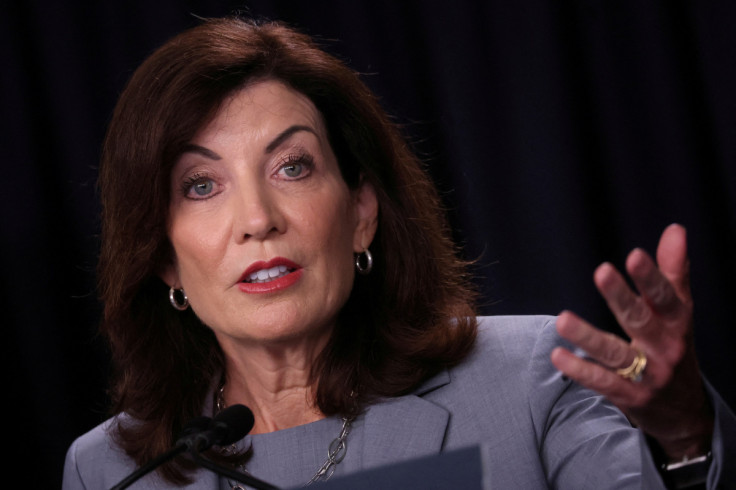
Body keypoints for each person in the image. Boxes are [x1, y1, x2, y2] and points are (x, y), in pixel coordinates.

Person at [62, 17, 734, 489]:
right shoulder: (110, 472)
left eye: (291, 167)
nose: (257, 221)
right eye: (201, 185)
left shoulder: (535, 382)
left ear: (361, 213)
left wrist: (683, 442)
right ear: (164, 258)